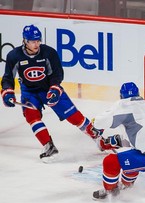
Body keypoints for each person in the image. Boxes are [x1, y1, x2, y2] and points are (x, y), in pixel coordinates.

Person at [1, 24, 104, 162]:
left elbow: (57, 74)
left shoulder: (49, 52)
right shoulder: (14, 56)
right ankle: (48, 146)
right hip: (29, 92)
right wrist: (8, 93)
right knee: (32, 116)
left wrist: (54, 88)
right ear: (25, 41)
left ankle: (98, 138)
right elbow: (8, 77)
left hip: (49, 88)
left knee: (74, 116)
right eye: (33, 41)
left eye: (38, 40)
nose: (36, 44)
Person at [92, 82, 145, 199]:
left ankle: (110, 191)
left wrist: (94, 123)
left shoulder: (122, 105)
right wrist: (117, 140)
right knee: (128, 157)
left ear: (121, 96)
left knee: (110, 161)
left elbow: (99, 122)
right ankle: (126, 187)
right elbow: (136, 131)